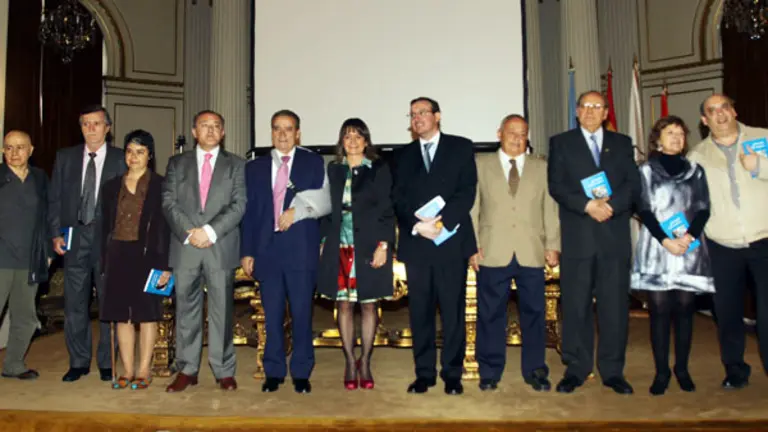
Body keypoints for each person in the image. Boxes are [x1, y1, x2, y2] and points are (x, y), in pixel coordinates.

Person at [547, 91, 640, 394]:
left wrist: (611, 206)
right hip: (578, 238)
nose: (590, 111)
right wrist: (587, 205)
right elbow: (556, 185)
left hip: (614, 238)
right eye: (584, 106)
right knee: (576, 306)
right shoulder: (561, 143)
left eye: (596, 106)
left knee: (615, 308)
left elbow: (633, 185)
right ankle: (576, 368)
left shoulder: (622, 143)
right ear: (577, 112)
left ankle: (613, 371)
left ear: (606, 112)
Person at [393, 97, 477, 395]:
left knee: (453, 311)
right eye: (412, 114)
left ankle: (452, 373)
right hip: (417, 244)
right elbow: (397, 198)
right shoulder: (401, 155)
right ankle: (424, 373)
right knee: (420, 313)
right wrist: (418, 226)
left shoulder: (461, 147)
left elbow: (467, 191)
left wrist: (441, 224)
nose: (417, 118)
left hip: (450, 240)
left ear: (437, 116)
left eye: (423, 112)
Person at [470, 115, 560, 392]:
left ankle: (535, 370)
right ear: (499, 133)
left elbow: (550, 208)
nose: (517, 138)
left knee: (534, 313)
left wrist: (553, 244)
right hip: (492, 249)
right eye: (512, 133)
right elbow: (472, 208)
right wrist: (472, 246)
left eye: (523, 134)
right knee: (490, 313)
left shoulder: (541, 166)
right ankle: (489, 370)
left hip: (531, 250)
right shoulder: (480, 164)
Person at [240, 110, 327, 394]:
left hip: (301, 250)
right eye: (277, 128)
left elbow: (324, 203)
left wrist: (300, 213)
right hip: (267, 250)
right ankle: (274, 371)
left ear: (297, 133)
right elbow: (250, 213)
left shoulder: (313, 163)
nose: (282, 134)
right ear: (271, 133)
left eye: (288, 129)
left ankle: (301, 371)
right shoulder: (254, 168)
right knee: (272, 315)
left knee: (302, 314)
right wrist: (247, 251)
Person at [162, 110, 246, 393]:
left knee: (222, 311)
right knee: (186, 310)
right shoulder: (176, 163)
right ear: (194, 131)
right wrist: (190, 232)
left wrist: (209, 231)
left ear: (223, 132)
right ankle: (187, 369)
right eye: (204, 125)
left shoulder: (237, 164)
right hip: (186, 246)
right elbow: (168, 202)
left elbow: (239, 204)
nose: (210, 131)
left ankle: (223, 370)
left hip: (219, 246)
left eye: (216, 126)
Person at [687, 94, 768, 389]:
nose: (720, 114)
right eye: (712, 111)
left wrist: (760, 166)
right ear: (704, 120)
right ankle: (735, 370)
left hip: (764, 238)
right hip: (722, 245)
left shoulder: (763, 137)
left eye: (724, 108)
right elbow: (692, 204)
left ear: (734, 111)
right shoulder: (697, 156)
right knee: (727, 312)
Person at [631, 116, 713, 395]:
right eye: (670, 133)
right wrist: (665, 240)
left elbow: (703, 208)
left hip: (688, 247)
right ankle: (662, 372)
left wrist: (688, 238)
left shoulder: (696, 170)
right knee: (659, 311)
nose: (676, 137)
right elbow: (643, 209)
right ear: (658, 139)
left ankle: (682, 369)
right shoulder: (646, 170)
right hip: (658, 247)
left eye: (680, 133)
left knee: (686, 309)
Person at [49, 105, 127, 382]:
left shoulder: (121, 158)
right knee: (75, 304)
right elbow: (55, 198)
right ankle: (78, 361)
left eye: (97, 123)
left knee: (109, 302)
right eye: (86, 124)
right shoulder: (65, 157)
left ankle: (107, 361)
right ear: (80, 127)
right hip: (74, 237)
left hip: (108, 240)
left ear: (108, 128)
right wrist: (55, 233)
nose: (91, 128)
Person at [316, 118, 395, 391]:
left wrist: (384, 245)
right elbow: (326, 209)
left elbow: (387, 209)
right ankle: (350, 361)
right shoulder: (333, 170)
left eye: (357, 136)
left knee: (369, 304)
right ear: (342, 141)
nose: (352, 141)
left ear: (366, 141)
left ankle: (366, 361)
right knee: (344, 305)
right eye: (347, 136)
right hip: (340, 244)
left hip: (370, 244)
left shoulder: (379, 169)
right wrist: (323, 240)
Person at [100, 130, 171, 390]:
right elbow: (104, 227)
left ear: (150, 155)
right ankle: (127, 370)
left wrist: (166, 266)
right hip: (118, 254)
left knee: (147, 314)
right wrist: (103, 259)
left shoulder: (162, 186)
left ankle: (143, 370)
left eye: (140, 152)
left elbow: (166, 229)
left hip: (150, 256)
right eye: (129, 151)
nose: (134, 157)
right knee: (123, 316)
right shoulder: (110, 187)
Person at [0, 131, 51, 380]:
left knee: (25, 317)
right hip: (1, 259)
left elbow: (49, 216)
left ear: (31, 150)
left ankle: (14, 365)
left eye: (20, 147)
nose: (14, 153)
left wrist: (48, 252)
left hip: (30, 260)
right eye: (9, 147)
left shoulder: (40, 179)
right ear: (3, 151)